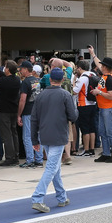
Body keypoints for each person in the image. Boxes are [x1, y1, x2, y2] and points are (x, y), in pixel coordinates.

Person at [30, 68, 78, 213]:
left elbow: (34, 119)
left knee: (55, 166)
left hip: (44, 135)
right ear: (62, 80)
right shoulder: (65, 95)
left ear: (50, 79)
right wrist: (76, 110)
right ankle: (37, 198)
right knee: (52, 167)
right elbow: (73, 116)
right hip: (59, 135)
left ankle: (62, 197)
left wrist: (34, 140)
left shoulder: (41, 95)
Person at [89, 51, 112, 163]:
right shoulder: (105, 75)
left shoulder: (109, 79)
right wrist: (93, 54)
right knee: (102, 131)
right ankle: (106, 153)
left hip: (108, 108)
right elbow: (97, 63)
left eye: (102, 65)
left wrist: (98, 92)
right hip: (103, 107)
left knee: (109, 131)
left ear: (105, 67)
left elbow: (111, 96)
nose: (100, 66)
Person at [16, 61, 42, 168]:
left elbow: (23, 99)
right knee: (38, 135)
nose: (20, 71)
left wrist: (19, 114)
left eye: (21, 69)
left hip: (28, 112)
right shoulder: (37, 80)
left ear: (26, 69)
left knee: (27, 136)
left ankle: (30, 159)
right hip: (38, 111)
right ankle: (39, 159)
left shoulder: (26, 82)